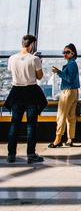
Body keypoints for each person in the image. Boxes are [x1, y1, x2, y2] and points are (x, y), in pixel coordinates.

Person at [5, 35, 47, 163]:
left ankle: (11, 155)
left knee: (14, 125)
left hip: (16, 92)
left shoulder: (12, 58)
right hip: (31, 93)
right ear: (32, 45)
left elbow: (11, 71)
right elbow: (39, 77)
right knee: (31, 126)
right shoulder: (34, 59)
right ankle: (31, 154)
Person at [48, 43, 80, 148]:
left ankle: (57, 140)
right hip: (74, 92)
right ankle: (70, 139)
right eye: (64, 52)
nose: (65, 54)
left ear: (73, 53)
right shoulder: (73, 64)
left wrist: (58, 72)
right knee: (71, 116)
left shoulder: (71, 64)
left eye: (67, 52)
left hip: (67, 92)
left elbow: (69, 79)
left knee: (61, 116)